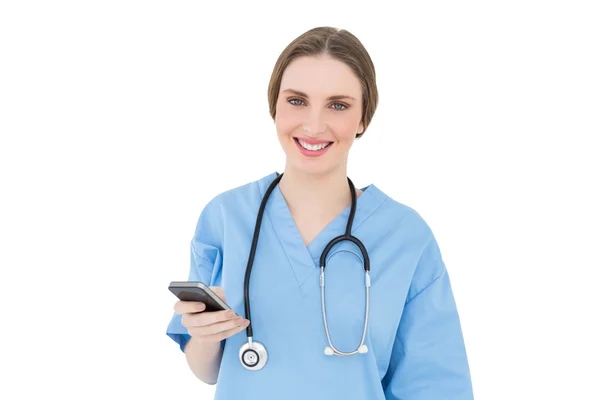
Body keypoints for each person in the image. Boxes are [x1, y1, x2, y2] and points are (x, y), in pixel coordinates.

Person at [166, 26, 474, 399]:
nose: (313, 125)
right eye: (297, 100)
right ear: (274, 107)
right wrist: (203, 334)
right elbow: (208, 371)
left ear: (363, 118)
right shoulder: (226, 217)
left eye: (338, 105)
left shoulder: (405, 237)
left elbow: (433, 386)